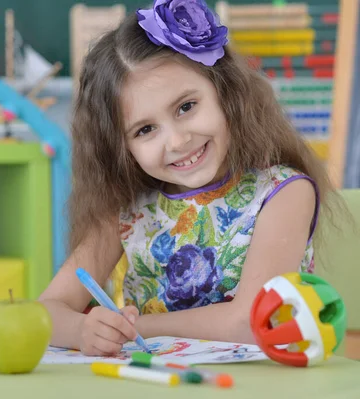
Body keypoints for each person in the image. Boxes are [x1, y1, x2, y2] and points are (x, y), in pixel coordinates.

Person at [38, 0, 343, 357]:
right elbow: (46, 311)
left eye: (186, 107)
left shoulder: (283, 193)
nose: (178, 141)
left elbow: (248, 322)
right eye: (145, 129)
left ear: (224, 92)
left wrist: (129, 326)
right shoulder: (127, 208)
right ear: (120, 148)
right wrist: (82, 329)